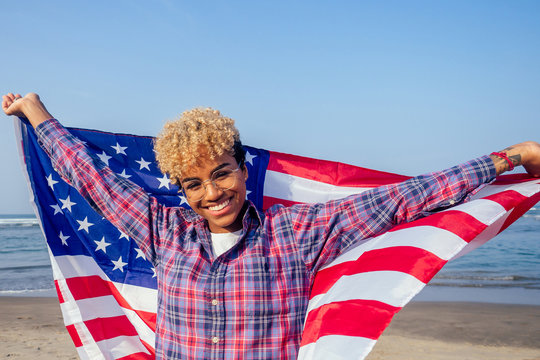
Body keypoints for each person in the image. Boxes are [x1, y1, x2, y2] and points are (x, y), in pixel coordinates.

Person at [3, 92, 540, 359]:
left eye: (221, 173)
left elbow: (405, 199)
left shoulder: (299, 233)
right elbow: (91, 178)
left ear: (241, 166)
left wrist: (506, 157)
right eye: (194, 184)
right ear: (182, 190)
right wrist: (38, 116)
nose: (212, 193)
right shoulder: (162, 231)